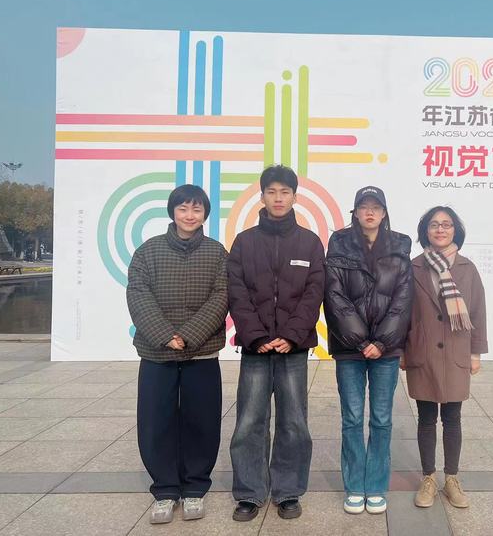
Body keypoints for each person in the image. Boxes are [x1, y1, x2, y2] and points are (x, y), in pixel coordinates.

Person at [227, 165, 325, 522]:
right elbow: (236, 292)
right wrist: (256, 336)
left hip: (293, 349)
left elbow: (314, 293)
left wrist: (291, 335)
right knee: (249, 421)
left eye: (285, 192)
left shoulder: (309, 243)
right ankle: (250, 492)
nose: (278, 198)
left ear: (295, 197)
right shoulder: (245, 242)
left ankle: (287, 491)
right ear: (262, 196)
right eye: (272, 192)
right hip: (255, 348)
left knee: (293, 422)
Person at [126, 184, 228, 524]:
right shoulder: (148, 252)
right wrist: (166, 336)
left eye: (196, 209)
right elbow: (138, 295)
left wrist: (188, 335)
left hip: (201, 352)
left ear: (205, 214)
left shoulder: (217, 253)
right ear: (172, 211)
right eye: (183, 208)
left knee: (202, 420)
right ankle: (165, 489)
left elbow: (221, 296)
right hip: (157, 352)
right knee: (156, 421)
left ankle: (195, 487)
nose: (189, 215)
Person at [324, 186, 413, 515]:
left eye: (376, 207)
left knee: (381, 419)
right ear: (356, 212)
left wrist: (382, 342)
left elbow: (403, 299)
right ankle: (354, 486)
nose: (370, 212)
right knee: (351, 418)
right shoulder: (339, 243)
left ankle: (375, 485)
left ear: (385, 213)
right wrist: (361, 341)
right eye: (364, 207)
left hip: (386, 350)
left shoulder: (400, 245)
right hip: (349, 349)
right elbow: (334, 296)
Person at [402, 206, 488, 509]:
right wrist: (403, 349)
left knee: (452, 418)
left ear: (456, 231)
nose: (440, 229)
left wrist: (475, 353)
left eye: (447, 224)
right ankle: (428, 478)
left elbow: (477, 311)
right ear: (425, 231)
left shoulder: (467, 268)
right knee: (426, 418)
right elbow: (403, 311)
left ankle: (452, 478)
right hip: (423, 350)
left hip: (455, 350)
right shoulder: (413, 267)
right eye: (434, 225)